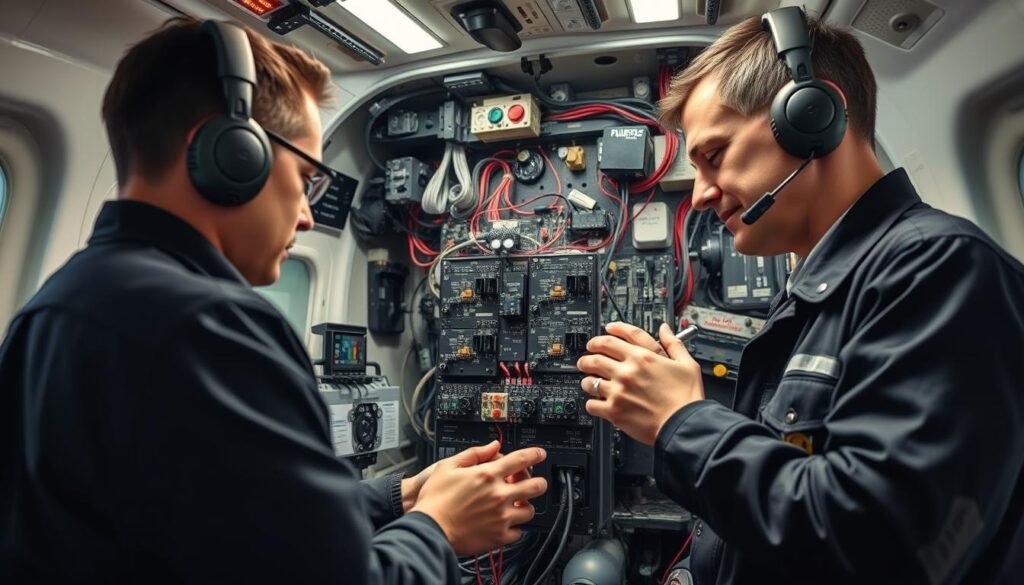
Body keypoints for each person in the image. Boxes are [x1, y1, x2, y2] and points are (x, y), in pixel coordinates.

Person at [0, 17, 547, 583]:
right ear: (232, 155)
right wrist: (439, 527)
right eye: (306, 177)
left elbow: (231, 519)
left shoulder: (54, 307)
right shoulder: (210, 327)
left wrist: (399, 497)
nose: (308, 215)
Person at [578, 8, 1024, 585]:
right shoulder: (816, 295)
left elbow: (887, 542)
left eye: (715, 156)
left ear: (812, 116)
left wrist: (680, 420)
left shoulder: (937, 269)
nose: (702, 194)